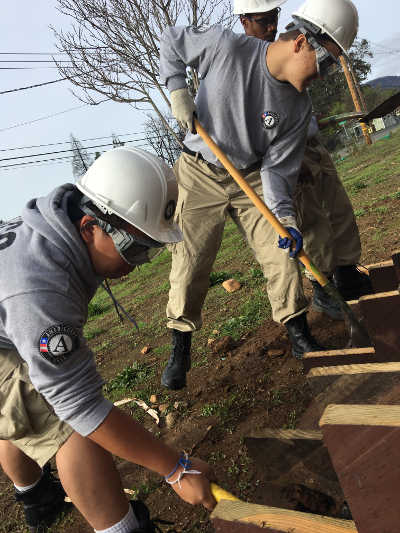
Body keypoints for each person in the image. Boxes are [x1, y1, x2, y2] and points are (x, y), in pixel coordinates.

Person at [0, 147, 216, 533]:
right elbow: (78, 405)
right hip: (16, 321)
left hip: (8, 327)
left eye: (152, 249)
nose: (139, 262)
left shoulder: (56, 230)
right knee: (64, 422)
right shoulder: (41, 291)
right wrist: (176, 468)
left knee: (26, 410)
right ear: (89, 227)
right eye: (135, 249)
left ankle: (36, 499)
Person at [159, 0, 359, 390]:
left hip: (249, 176)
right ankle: (180, 344)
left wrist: (285, 219)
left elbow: (277, 172)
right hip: (200, 171)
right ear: (301, 43)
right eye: (326, 62)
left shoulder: (298, 109)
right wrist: (176, 88)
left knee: (280, 254)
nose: (324, 75)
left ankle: (297, 331)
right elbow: (172, 40)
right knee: (190, 261)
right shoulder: (227, 48)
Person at [236, 0, 372, 317]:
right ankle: (324, 287)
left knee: (339, 209)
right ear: (244, 21)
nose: (270, 26)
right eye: (263, 19)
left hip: (311, 143)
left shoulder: (294, 51)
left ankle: (348, 274)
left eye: (274, 18)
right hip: (287, 153)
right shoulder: (252, 64)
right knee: (313, 222)